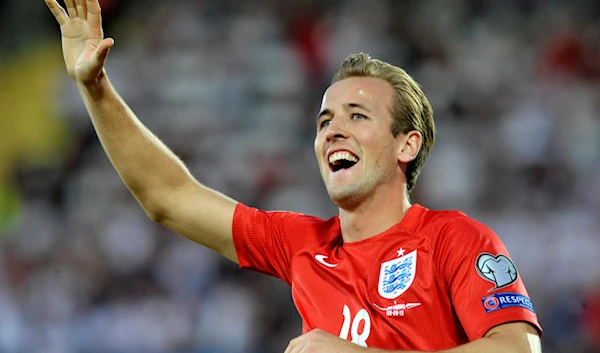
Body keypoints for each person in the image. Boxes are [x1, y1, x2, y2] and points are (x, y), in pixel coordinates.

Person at [44, 0, 543, 352]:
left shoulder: (454, 239)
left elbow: (518, 348)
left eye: (358, 116)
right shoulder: (301, 245)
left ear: (405, 145)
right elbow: (168, 197)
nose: (334, 132)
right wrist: (96, 87)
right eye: (325, 121)